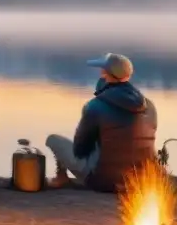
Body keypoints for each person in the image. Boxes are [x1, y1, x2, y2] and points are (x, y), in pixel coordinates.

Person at [45, 52, 157, 193]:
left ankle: (61, 178)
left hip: (104, 181)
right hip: (140, 180)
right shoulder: (149, 106)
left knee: (53, 140)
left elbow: (80, 149)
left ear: (105, 73)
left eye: (101, 70)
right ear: (128, 76)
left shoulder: (95, 106)